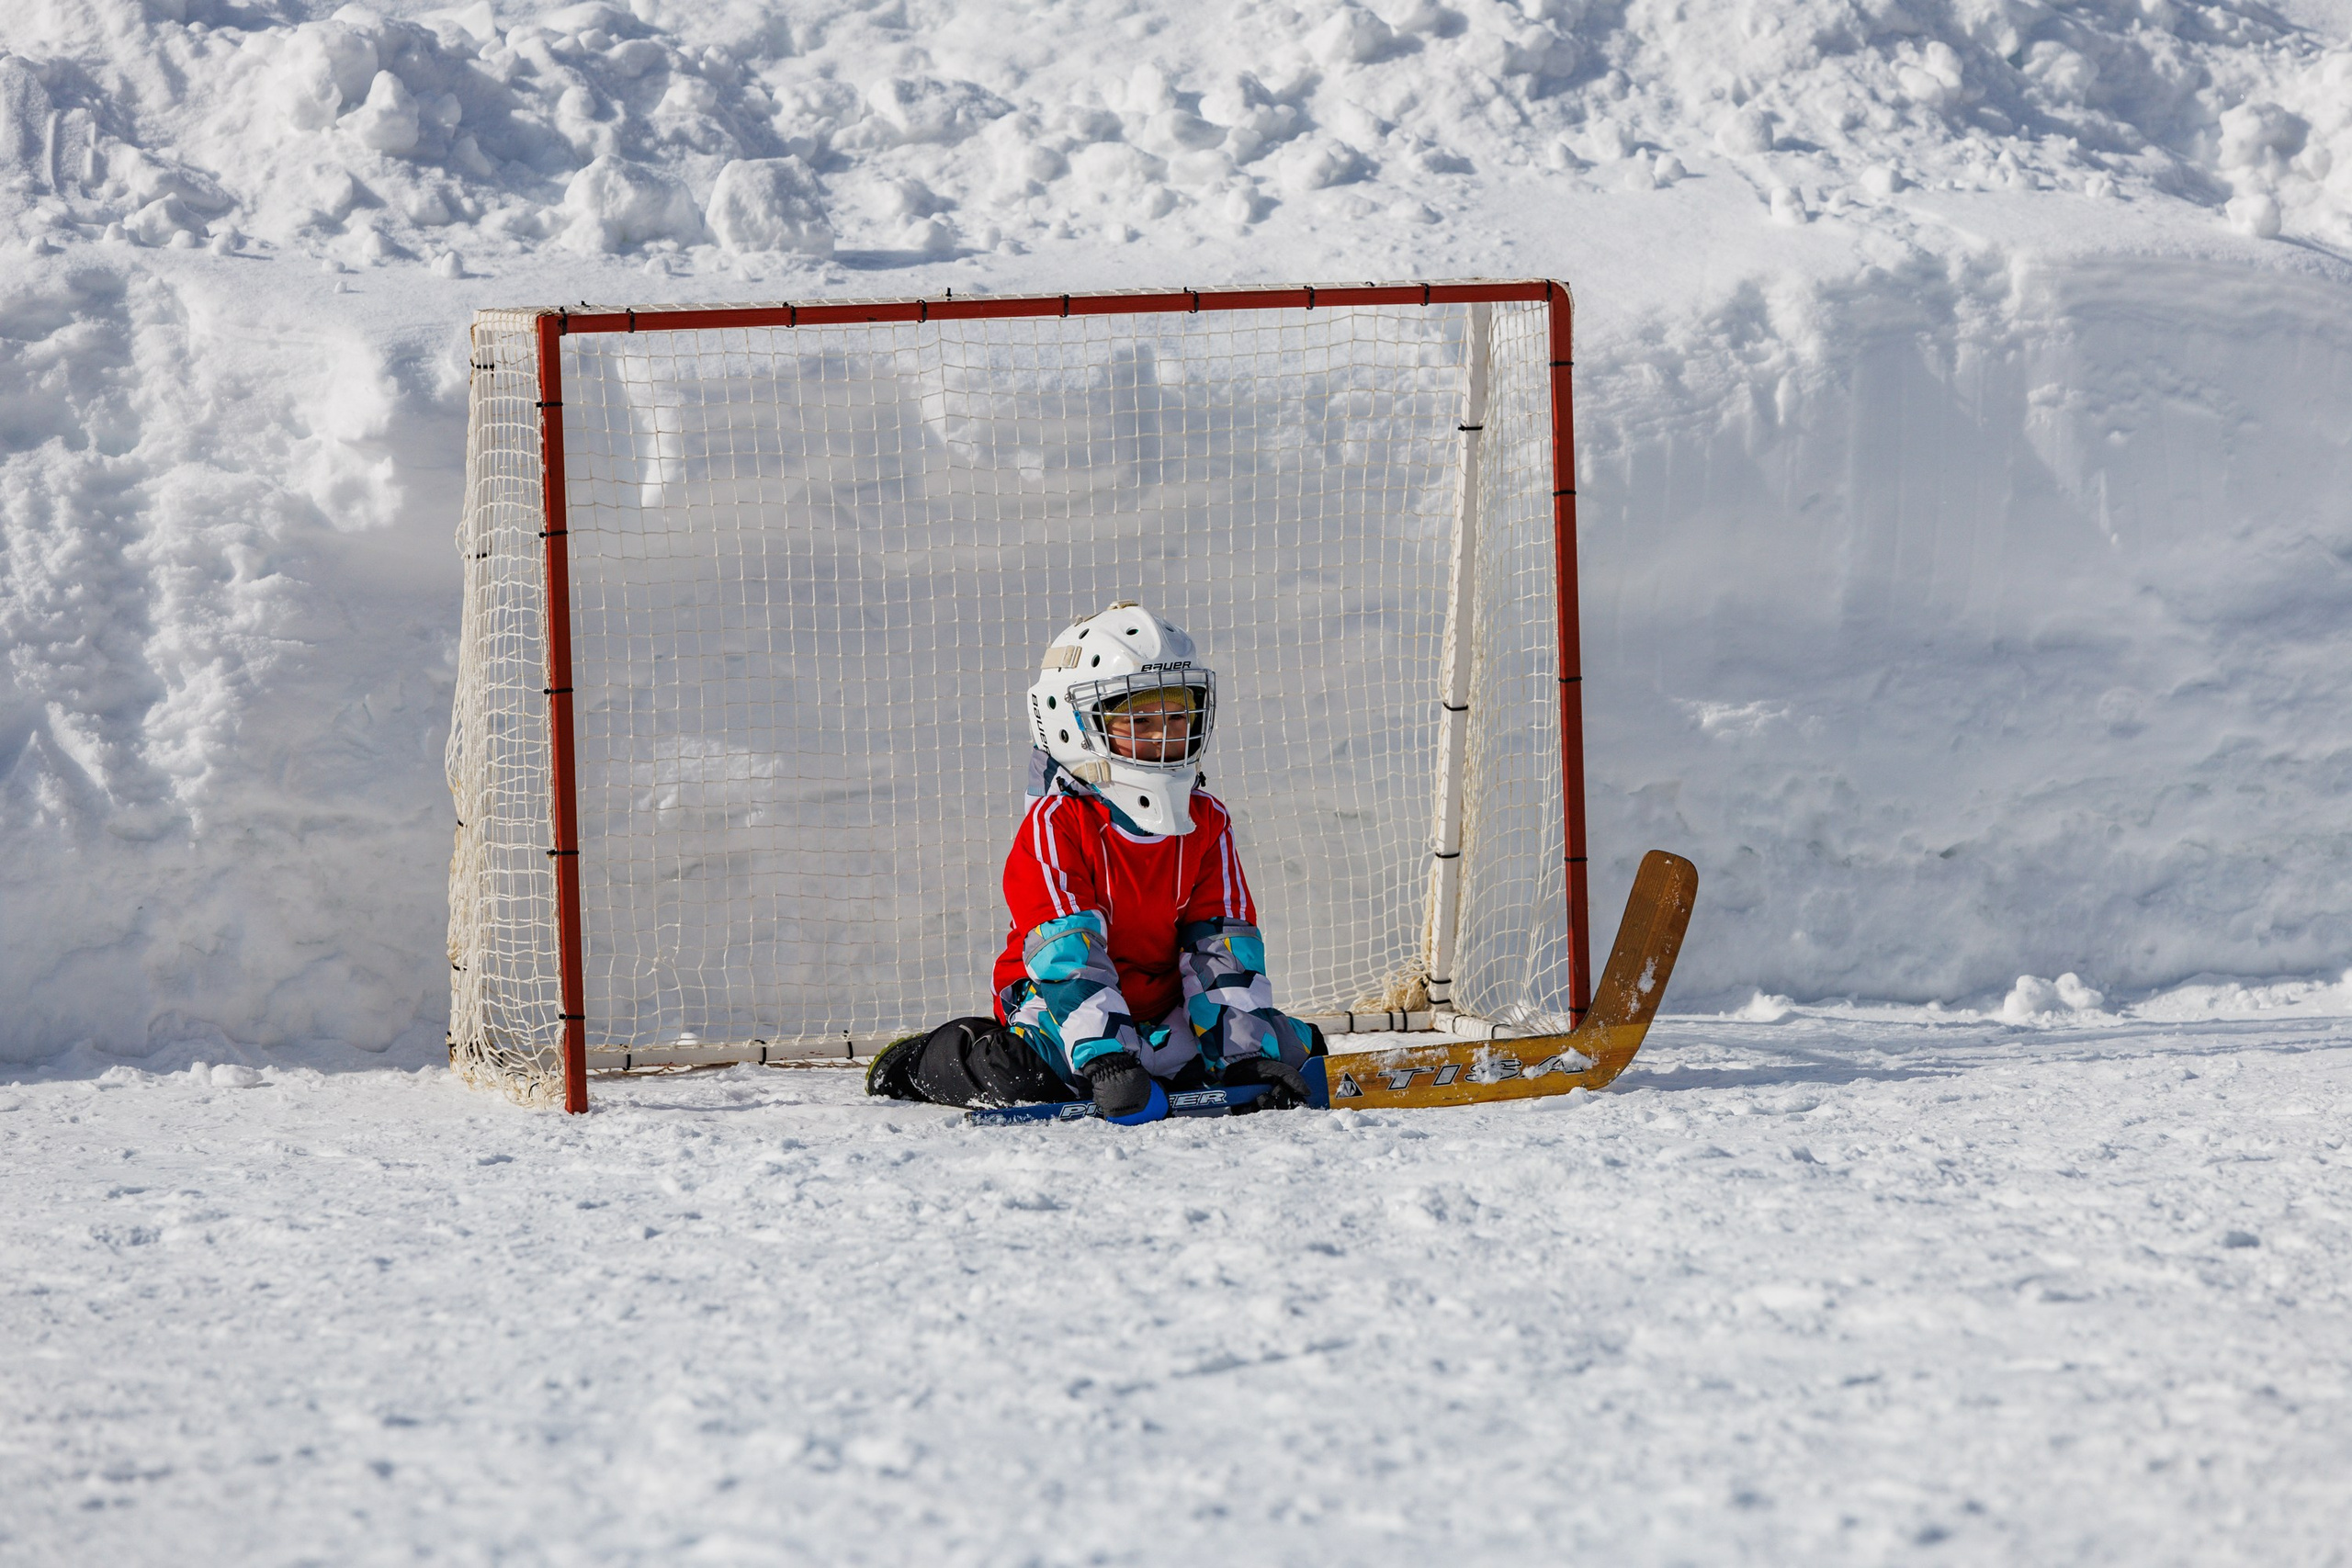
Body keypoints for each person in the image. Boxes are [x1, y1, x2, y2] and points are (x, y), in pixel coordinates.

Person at [866, 601, 1323, 1122]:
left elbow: (1220, 946)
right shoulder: (1056, 823)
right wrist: (1104, 1058)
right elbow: (1066, 953)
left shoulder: (1207, 820)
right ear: (1073, 722)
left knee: (1288, 1053)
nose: (1163, 735)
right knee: (1028, 1078)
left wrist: (1247, 1058)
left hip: (1160, 1003)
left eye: (1178, 716)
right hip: (1056, 1000)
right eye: (1140, 718)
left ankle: (1192, 1053)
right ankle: (922, 1059)